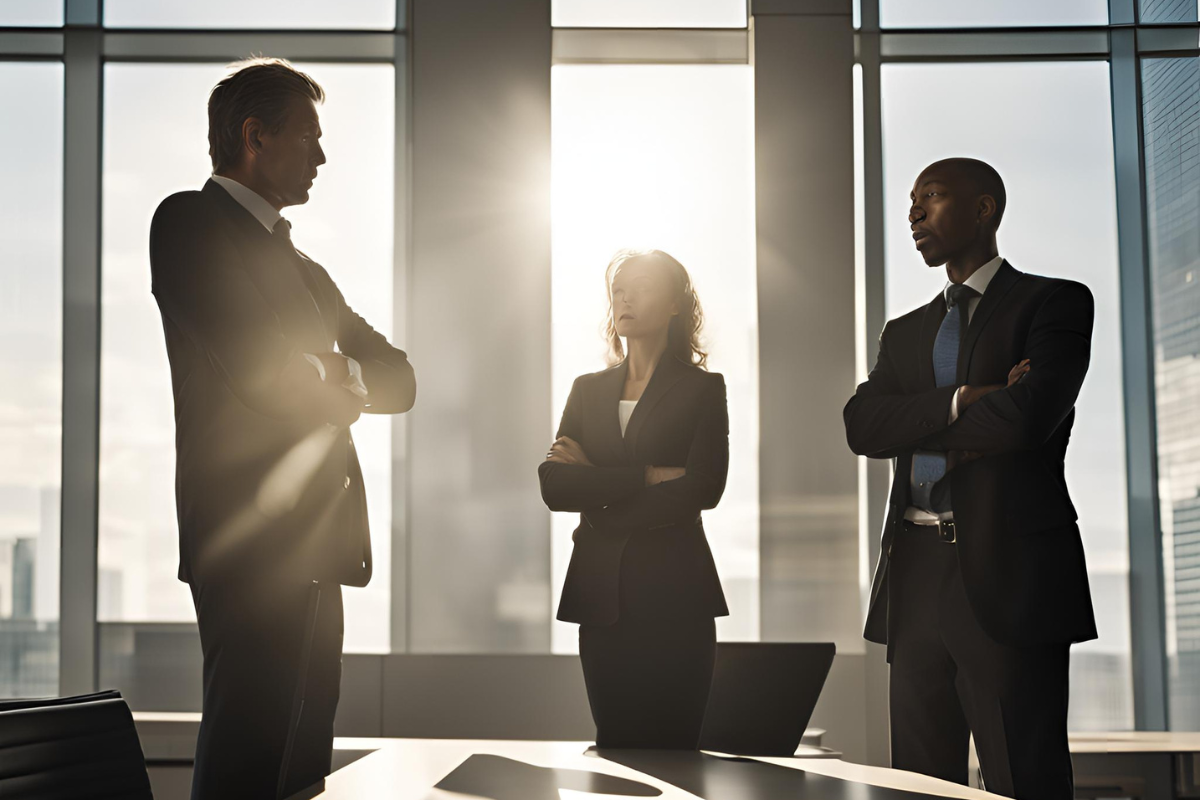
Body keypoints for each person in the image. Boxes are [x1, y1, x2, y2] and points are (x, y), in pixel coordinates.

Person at [149, 57, 416, 799]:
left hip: (318, 544)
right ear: (255, 136)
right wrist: (330, 371)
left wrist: (332, 373)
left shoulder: (306, 268)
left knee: (303, 762)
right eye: (311, 137)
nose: (323, 157)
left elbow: (400, 377)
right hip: (246, 539)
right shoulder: (187, 222)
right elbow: (257, 370)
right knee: (247, 751)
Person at [844, 158, 1097, 799]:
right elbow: (863, 429)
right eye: (910, 201)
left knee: (1025, 776)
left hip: (1010, 572)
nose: (914, 213)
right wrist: (968, 401)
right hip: (914, 572)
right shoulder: (903, 333)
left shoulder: (1054, 302)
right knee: (921, 784)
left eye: (931, 196)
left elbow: (1025, 419)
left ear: (984, 209)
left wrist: (921, 420)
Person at [539, 249, 729, 749]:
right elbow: (555, 486)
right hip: (600, 593)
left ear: (673, 303)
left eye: (639, 285)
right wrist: (647, 476)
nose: (623, 297)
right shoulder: (587, 389)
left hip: (677, 595)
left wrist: (598, 488)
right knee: (615, 750)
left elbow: (703, 488)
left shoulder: (702, 389)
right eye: (617, 288)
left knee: (678, 753)